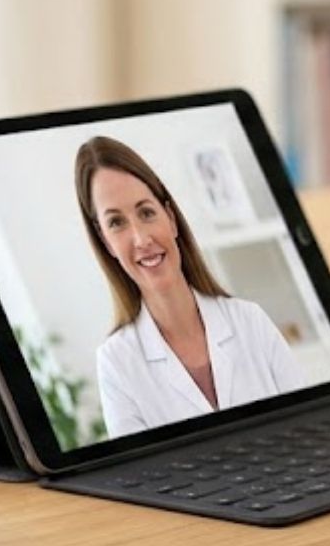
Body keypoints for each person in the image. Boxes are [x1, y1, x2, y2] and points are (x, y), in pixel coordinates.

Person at [76, 135, 306, 437]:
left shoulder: (249, 320)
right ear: (106, 241)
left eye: (146, 213)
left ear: (170, 218)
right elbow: (141, 476)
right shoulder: (117, 362)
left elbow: (308, 427)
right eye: (117, 223)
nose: (141, 239)